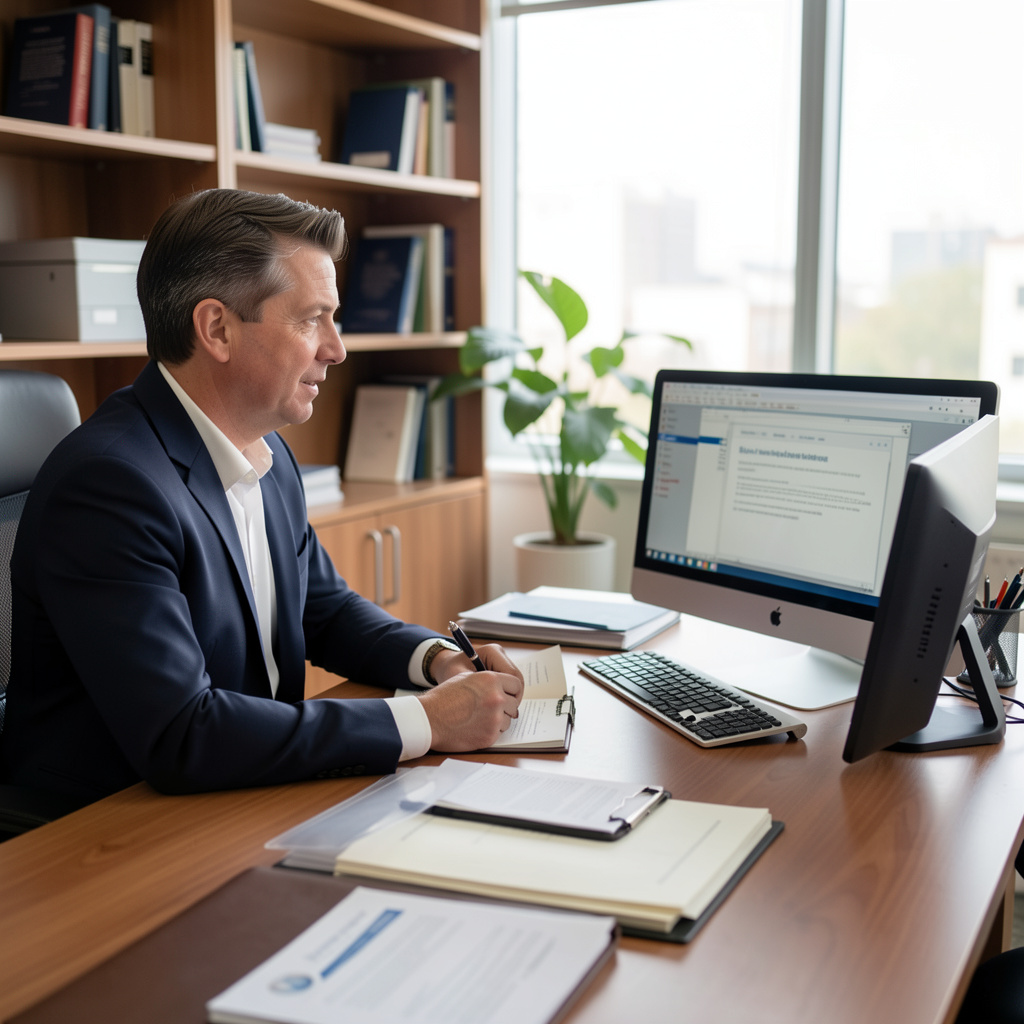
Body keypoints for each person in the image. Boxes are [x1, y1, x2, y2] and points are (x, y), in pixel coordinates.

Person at [0, 188, 524, 809]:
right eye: (311, 319)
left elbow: (323, 608)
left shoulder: (263, 452)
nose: (337, 347)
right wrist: (428, 722)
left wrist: (436, 660)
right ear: (216, 328)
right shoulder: (110, 485)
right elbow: (181, 733)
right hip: (103, 831)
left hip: (241, 791)